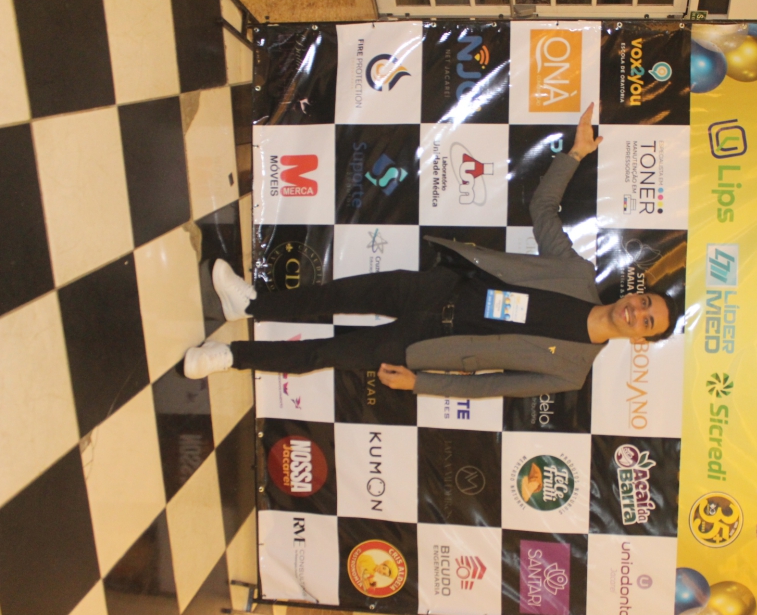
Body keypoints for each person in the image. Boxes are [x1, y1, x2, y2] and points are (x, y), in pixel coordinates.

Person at [184, 103, 679, 397]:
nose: (637, 312)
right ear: (634, 295)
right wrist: (575, 153)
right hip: (439, 288)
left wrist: (420, 384)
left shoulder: (571, 372)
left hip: (427, 344)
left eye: (647, 321)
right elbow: (543, 209)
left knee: (323, 352)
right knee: (332, 296)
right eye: (644, 302)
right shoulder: (576, 275)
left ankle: (228, 356)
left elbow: (490, 386)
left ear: (640, 340)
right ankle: (250, 304)